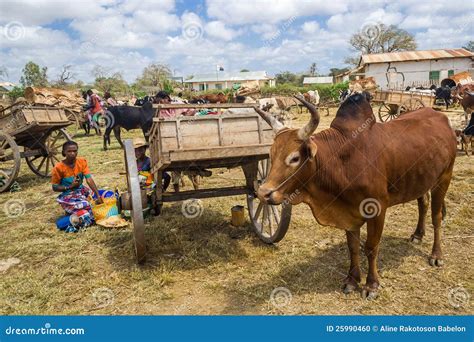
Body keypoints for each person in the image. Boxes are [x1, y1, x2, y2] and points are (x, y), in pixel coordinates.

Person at [51, 141, 103, 230]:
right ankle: (71, 218)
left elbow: (89, 179)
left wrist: (98, 195)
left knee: (103, 196)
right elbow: (54, 187)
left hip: (81, 190)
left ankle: (74, 213)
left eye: (75, 151)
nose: (72, 153)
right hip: (68, 195)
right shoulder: (58, 167)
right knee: (88, 206)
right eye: (69, 151)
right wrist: (70, 187)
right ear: (64, 152)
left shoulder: (82, 162)